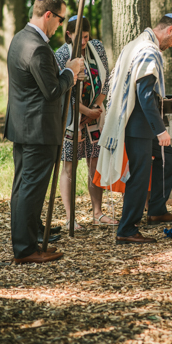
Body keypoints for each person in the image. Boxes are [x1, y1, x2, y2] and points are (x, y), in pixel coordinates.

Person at [5, 0, 84, 264]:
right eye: (60, 19)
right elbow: (51, 90)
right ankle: (26, 250)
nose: (60, 26)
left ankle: (26, 241)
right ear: (48, 15)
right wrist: (71, 72)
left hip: (23, 126)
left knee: (21, 188)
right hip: (38, 130)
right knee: (30, 190)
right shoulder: (37, 47)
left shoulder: (19, 38)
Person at [96, 14, 172, 244]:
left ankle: (156, 208)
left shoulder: (135, 44)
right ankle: (127, 229)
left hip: (135, 120)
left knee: (166, 155)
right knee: (139, 175)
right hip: (138, 123)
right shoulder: (149, 50)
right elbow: (145, 95)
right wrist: (160, 129)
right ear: (169, 31)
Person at [54, 16, 115, 229]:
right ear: (69, 34)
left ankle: (97, 212)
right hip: (71, 118)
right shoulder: (61, 54)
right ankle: (71, 217)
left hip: (94, 116)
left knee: (94, 162)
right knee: (69, 165)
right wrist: (84, 111)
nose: (83, 42)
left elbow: (107, 78)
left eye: (86, 37)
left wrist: (97, 107)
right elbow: (62, 91)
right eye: (79, 37)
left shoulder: (96, 47)